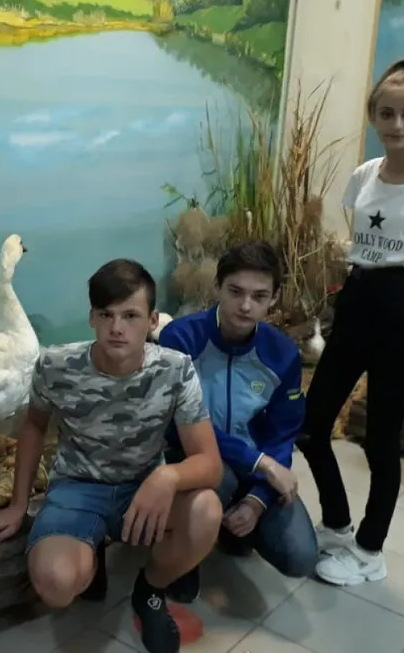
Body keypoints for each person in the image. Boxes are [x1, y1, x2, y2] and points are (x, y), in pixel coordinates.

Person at [0, 259, 223, 653]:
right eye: (106, 314)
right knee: (57, 584)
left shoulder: (175, 370)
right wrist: (18, 504)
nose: (117, 328)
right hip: (78, 487)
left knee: (206, 511)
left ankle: (150, 589)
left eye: (131, 316)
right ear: (92, 318)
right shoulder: (55, 365)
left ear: (152, 320)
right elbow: (33, 426)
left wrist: (167, 477)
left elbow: (210, 464)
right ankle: (91, 551)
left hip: (143, 486)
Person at [296, 58, 404, 586]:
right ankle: (338, 523)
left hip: (400, 308)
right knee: (311, 426)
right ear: (373, 115)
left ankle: (370, 550)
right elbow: (357, 248)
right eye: (387, 113)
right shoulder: (364, 175)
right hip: (356, 300)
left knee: (379, 440)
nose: (397, 124)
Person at [158, 240, 317, 600]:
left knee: (300, 556)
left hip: (251, 470)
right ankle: (180, 557)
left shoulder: (282, 354)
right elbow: (177, 422)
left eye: (259, 296)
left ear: (274, 298)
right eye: (235, 292)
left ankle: (229, 524)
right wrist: (260, 462)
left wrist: (258, 499)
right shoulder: (180, 337)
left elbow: (283, 433)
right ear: (218, 287)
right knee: (220, 474)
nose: (245, 306)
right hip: (189, 458)